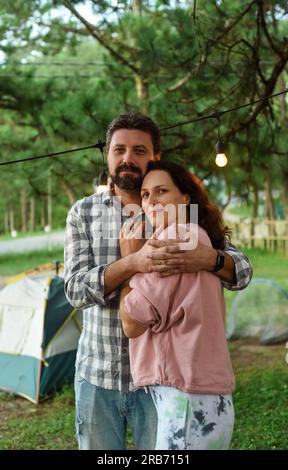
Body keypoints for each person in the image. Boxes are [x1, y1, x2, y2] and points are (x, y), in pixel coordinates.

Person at [64, 111, 252, 450]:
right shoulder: (84, 212)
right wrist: (132, 262)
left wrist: (211, 259)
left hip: (163, 382)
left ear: (155, 157)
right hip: (98, 372)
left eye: (139, 151)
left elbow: (242, 270)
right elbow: (75, 289)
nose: (128, 159)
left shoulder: (175, 210)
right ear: (107, 154)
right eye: (119, 149)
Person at [119, 160, 235, 450]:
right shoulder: (197, 236)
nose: (150, 201)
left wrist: (129, 263)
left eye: (161, 191)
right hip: (204, 398)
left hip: (187, 401)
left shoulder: (173, 238)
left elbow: (131, 323)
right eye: (145, 194)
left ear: (185, 198)